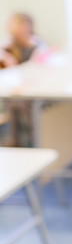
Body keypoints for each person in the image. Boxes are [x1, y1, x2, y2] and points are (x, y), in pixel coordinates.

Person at [0, 13, 46, 147]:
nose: (10, 29)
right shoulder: (9, 45)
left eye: (14, 25)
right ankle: (16, 141)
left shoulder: (37, 45)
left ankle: (28, 142)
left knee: (21, 104)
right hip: (15, 91)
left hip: (34, 91)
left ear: (26, 26)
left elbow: (38, 70)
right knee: (13, 102)